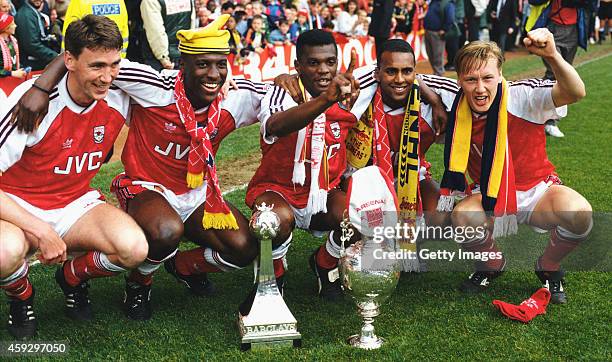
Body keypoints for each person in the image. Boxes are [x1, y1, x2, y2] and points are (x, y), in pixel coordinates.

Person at [11, 14, 272, 321]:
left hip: (198, 194)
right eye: (202, 64)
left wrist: (287, 84)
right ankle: (138, 283)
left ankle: (184, 266)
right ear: (182, 64)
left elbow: (275, 97)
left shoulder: (233, 94)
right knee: (165, 230)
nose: (212, 74)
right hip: (147, 188)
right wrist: (41, 87)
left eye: (220, 65)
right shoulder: (152, 84)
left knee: (244, 248)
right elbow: (86, 56)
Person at [0, 14, 148, 339]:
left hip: (73, 204)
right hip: (18, 206)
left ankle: (71, 276)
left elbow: (178, 85)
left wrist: (227, 85)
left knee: (134, 249)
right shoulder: (31, 103)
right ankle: (21, 295)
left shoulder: (121, 94)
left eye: (113, 65)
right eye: (96, 66)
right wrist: (40, 230)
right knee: (3, 253)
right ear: (68, 60)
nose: (107, 77)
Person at [430, 31, 589, 304]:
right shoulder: (455, 101)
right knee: (462, 217)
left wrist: (551, 55)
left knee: (580, 214)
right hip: (489, 195)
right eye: (471, 79)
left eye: (488, 78)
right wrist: (433, 101)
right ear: (460, 81)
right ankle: (492, 264)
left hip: (537, 192)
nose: (480, 88)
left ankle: (548, 265)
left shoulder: (522, 95)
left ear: (500, 74)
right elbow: (411, 78)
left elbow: (576, 92)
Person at [241, 30, 372, 311]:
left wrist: (430, 96)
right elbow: (275, 126)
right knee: (272, 221)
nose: (323, 70)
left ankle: (324, 263)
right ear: (298, 66)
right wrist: (326, 99)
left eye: (330, 62)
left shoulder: (352, 89)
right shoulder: (281, 91)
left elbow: (395, 72)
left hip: (323, 193)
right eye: (313, 63)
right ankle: (272, 281)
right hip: (278, 191)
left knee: (362, 216)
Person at [62, 0, 129, 58]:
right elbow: (124, 32)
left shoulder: (79, 2)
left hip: (89, 61)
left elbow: (69, 34)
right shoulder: (119, 1)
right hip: (114, 59)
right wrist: (120, 59)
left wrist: (63, 64)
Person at [140, 0, 196, 70]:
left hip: (161, 60)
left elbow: (156, 31)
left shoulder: (150, 1)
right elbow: (192, 28)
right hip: (184, 54)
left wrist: (163, 58)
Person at [14, 0, 58, 70]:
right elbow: (31, 45)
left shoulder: (32, 12)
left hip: (37, 61)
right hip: (31, 64)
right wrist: (55, 56)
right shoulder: (26, 15)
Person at [0, 12, 27, 79]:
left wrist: (21, 70)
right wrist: (12, 73)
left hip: (11, 82)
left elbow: (14, 61)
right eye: (13, 24)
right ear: (5, 28)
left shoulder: (13, 40)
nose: (15, 26)